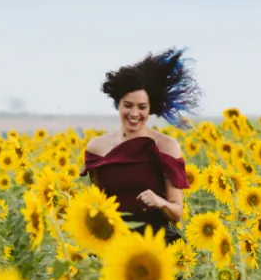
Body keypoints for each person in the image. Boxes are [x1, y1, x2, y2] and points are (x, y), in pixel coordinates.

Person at [81, 47, 201, 244]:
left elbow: (177, 212)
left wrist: (160, 202)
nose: (134, 113)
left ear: (150, 108)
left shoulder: (166, 147)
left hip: (156, 247)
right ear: (117, 105)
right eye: (128, 105)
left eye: (142, 107)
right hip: (112, 246)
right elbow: (96, 202)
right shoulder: (97, 148)